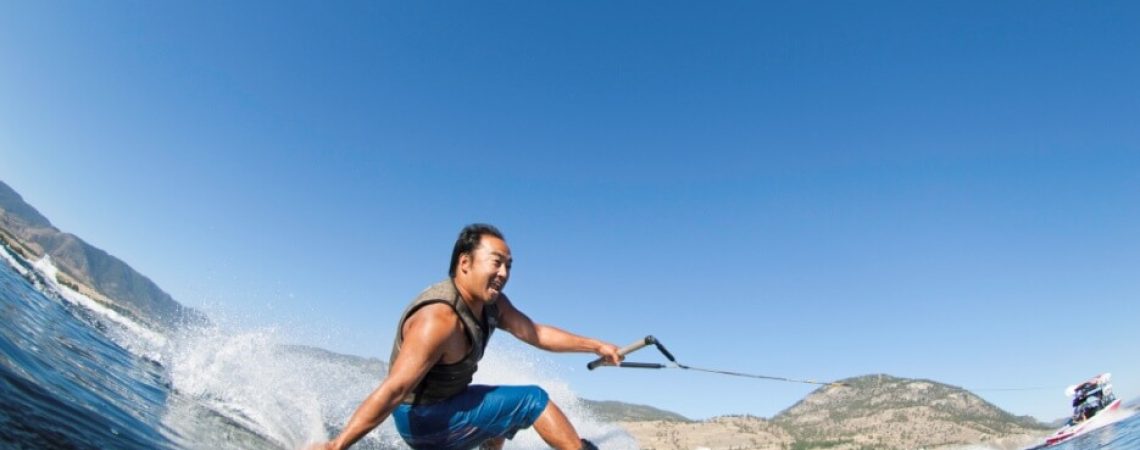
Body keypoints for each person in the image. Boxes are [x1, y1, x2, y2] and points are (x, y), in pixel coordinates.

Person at [309, 224, 623, 450]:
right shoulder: (439, 320)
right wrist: (338, 445)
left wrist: (596, 345)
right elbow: (396, 388)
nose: (504, 273)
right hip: (422, 419)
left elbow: (536, 333)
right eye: (496, 262)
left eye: (508, 266)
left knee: (501, 414)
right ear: (465, 263)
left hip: (446, 406)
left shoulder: (493, 305)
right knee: (531, 400)